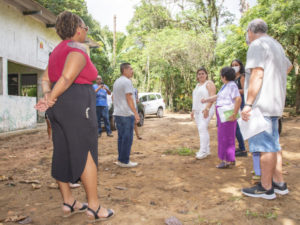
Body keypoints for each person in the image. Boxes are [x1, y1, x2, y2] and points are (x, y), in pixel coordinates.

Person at [34, 11, 114, 222]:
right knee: (86, 151)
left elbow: (46, 79)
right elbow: (67, 78)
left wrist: (49, 96)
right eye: (86, 28)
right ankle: (94, 207)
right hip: (76, 104)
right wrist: (52, 97)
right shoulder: (76, 51)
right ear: (78, 30)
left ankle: (69, 200)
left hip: (59, 107)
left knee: (62, 150)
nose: (86, 31)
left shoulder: (56, 53)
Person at [241, 19, 293, 199]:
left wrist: (248, 104)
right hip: (275, 103)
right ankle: (279, 183)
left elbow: (257, 73)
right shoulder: (276, 45)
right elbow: (289, 66)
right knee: (273, 146)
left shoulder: (257, 44)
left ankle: (266, 187)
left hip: (261, 106)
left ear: (250, 31)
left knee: (265, 147)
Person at [202, 67, 241, 168]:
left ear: (224, 76)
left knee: (225, 137)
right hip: (223, 113)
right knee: (226, 136)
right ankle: (230, 159)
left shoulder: (232, 85)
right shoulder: (226, 86)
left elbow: (238, 99)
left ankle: (226, 160)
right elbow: (217, 97)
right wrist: (206, 100)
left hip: (227, 113)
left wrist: (234, 113)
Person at [113, 63, 140, 167]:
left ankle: (121, 159)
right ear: (124, 70)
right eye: (131, 69)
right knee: (127, 138)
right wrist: (135, 113)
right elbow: (129, 98)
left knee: (121, 137)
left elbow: (114, 97)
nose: (132, 71)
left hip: (118, 113)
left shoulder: (117, 82)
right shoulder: (127, 82)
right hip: (126, 114)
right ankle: (125, 161)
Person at [191, 67, 216, 159]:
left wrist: (207, 109)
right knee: (202, 129)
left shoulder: (209, 84)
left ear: (206, 75)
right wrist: (193, 110)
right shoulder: (197, 85)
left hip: (206, 109)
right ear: (197, 76)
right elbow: (195, 99)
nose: (201, 75)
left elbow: (212, 97)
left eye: (202, 73)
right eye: (199, 74)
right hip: (197, 110)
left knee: (202, 129)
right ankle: (207, 149)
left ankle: (203, 151)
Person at [231, 59, 247, 157]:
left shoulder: (242, 77)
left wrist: (234, 91)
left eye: (236, 65)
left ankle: (243, 149)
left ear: (240, 66)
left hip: (240, 103)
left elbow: (245, 90)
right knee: (234, 126)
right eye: (233, 65)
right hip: (233, 104)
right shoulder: (232, 78)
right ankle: (240, 147)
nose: (234, 67)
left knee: (237, 127)